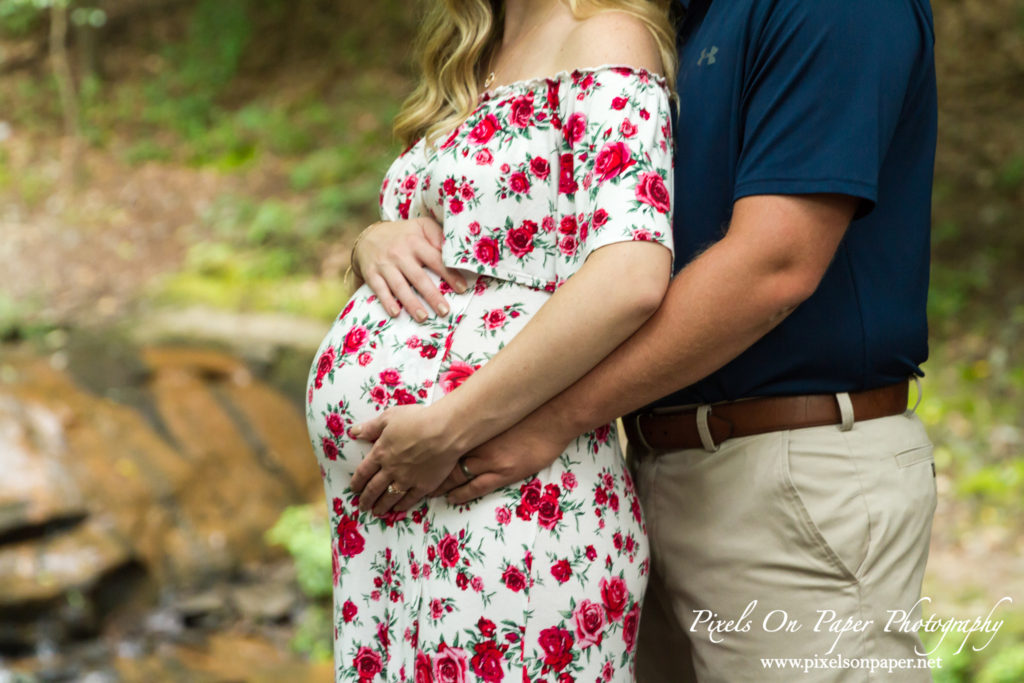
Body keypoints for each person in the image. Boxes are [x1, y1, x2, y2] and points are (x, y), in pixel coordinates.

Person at [351, 0, 940, 680]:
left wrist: (554, 417)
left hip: (792, 475)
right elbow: (564, 222)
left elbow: (773, 267)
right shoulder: (678, 13)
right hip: (648, 467)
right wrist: (389, 234)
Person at [305, 1, 680, 680]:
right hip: (386, 539)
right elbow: (450, 245)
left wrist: (448, 424)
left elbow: (631, 273)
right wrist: (372, 242)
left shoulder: (605, 32)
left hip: (510, 507)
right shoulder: (472, 53)